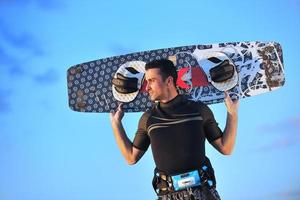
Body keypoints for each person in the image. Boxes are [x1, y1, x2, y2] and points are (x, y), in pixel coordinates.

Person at [110, 59, 239, 200]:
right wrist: (116, 124)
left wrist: (232, 114)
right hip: (168, 196)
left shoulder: (199, 110)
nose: (147, 88)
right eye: (146, 82)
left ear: (169, 81)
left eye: (152, 81)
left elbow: (225, 148)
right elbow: (131, 157)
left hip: (203, 193)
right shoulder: (148, 119)